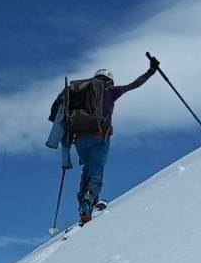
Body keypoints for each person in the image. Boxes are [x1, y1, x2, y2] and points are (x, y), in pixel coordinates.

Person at [49, 55, 161, 225]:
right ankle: (89, 202)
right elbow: (134, 84)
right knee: (96, 171)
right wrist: (151, 70)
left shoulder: (74, 92)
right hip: (99, 137)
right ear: (109, 80)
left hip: (78, 138)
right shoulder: (110, 91)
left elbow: (57, 110)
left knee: (87, 169)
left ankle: (83, 203)